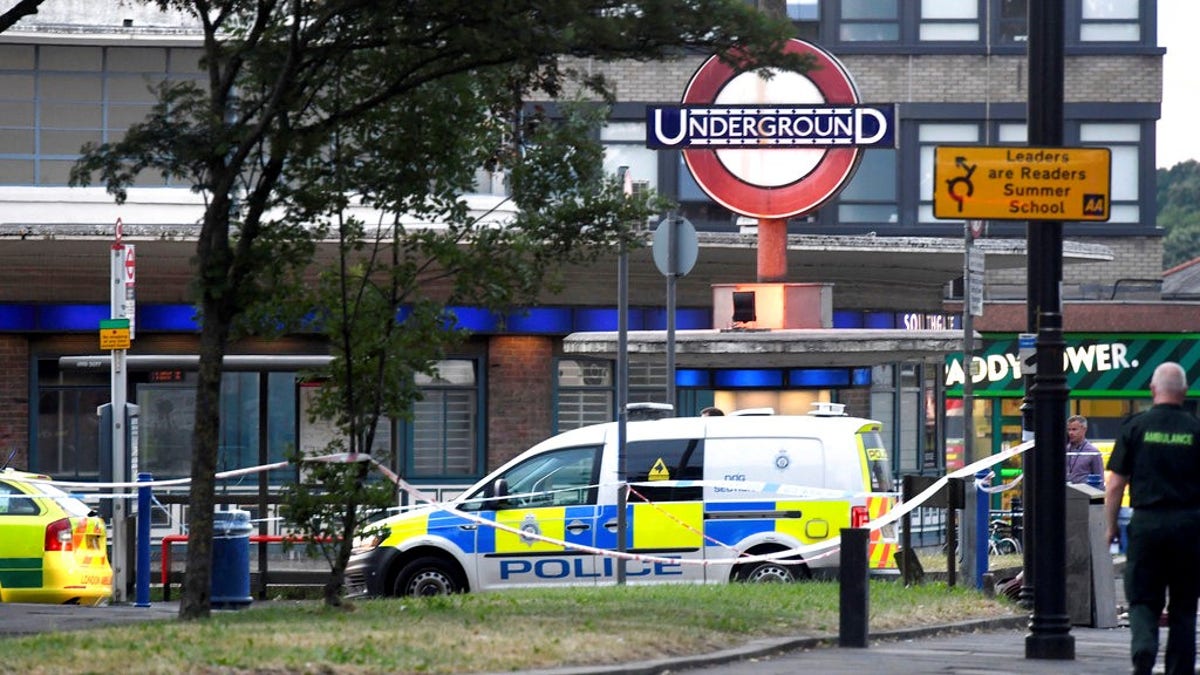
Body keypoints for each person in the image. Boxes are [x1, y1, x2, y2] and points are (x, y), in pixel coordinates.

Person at [1105, 362, 1200, 675]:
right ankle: (1179, 669)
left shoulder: (1135, 427)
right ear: (1184, 392)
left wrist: (1109, 527)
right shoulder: (1195, 429)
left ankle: (1144, 647)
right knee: (1185, 607)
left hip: (1147, 523)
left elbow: (1115, 484)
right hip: (1189, 526)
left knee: (1143, 597)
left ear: (1152, 390)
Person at [1065, 414, 1104, 484]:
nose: (1070, 433)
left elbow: (1100, 479)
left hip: (1085, 493)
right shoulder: (1065, 450)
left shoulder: (1093, 452)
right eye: (1069, 430)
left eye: (1074, 429)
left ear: (1084, 429)